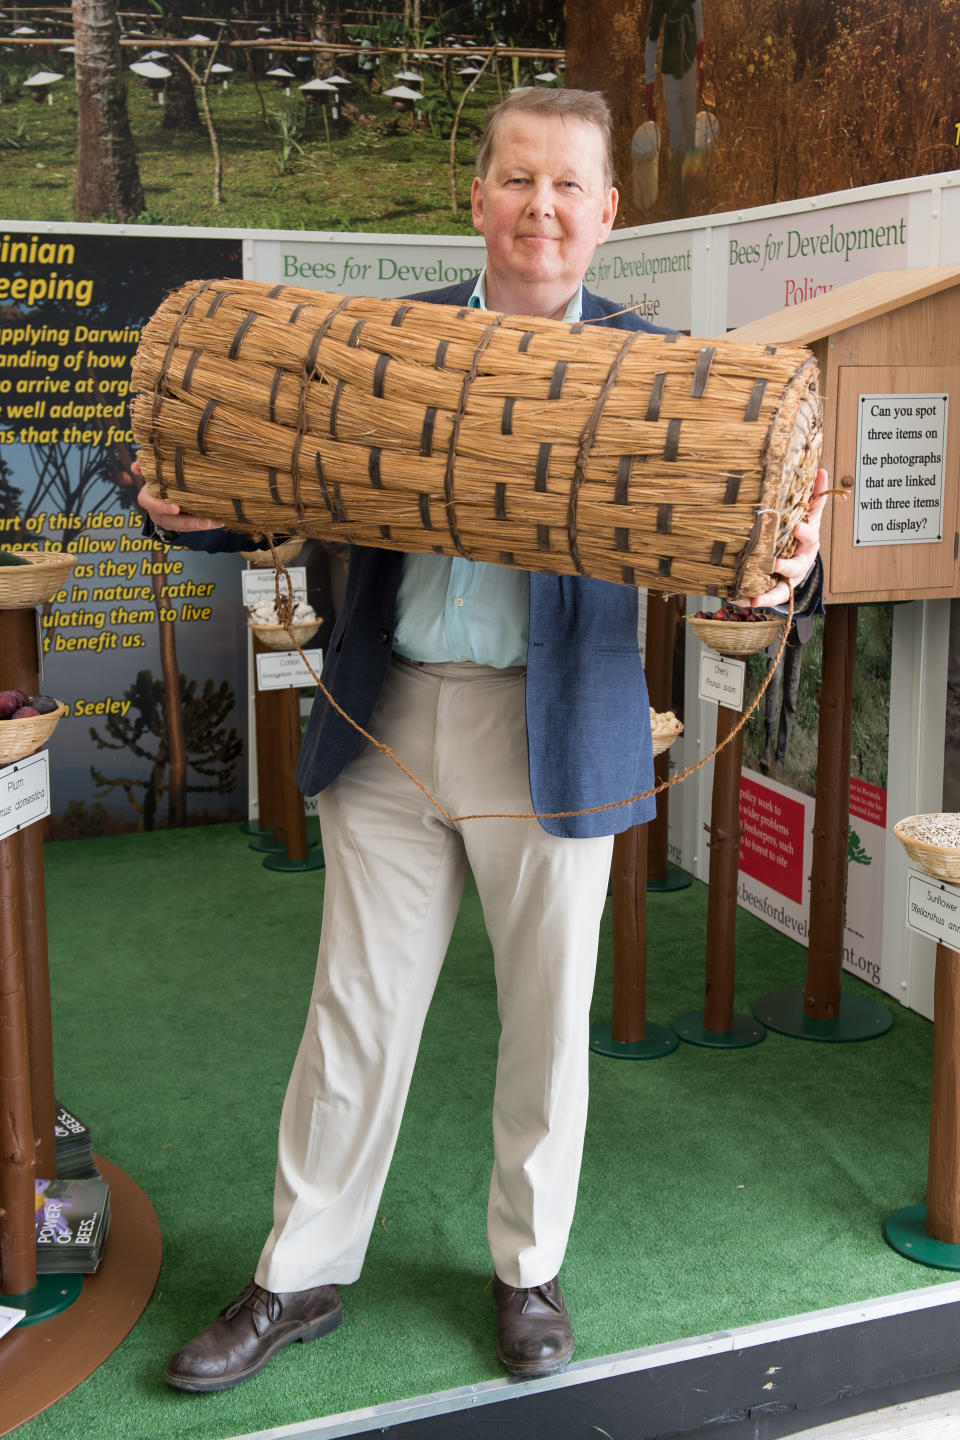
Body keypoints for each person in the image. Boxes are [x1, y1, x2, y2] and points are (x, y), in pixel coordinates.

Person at [137, 87, 827, 1393]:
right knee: (356, 1010)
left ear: (607, 212)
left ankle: (529, 1270)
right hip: (392, 716)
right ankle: (298, 1273)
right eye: (518, 179)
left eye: (569, 185)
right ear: (478, 198)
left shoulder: (656, 373)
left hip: (556, 731)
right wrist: (190, 513)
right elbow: (274, 479)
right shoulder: (378, 350)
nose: (541, 208)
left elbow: (755, 554)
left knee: (545, 1025)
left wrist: (783, 572)